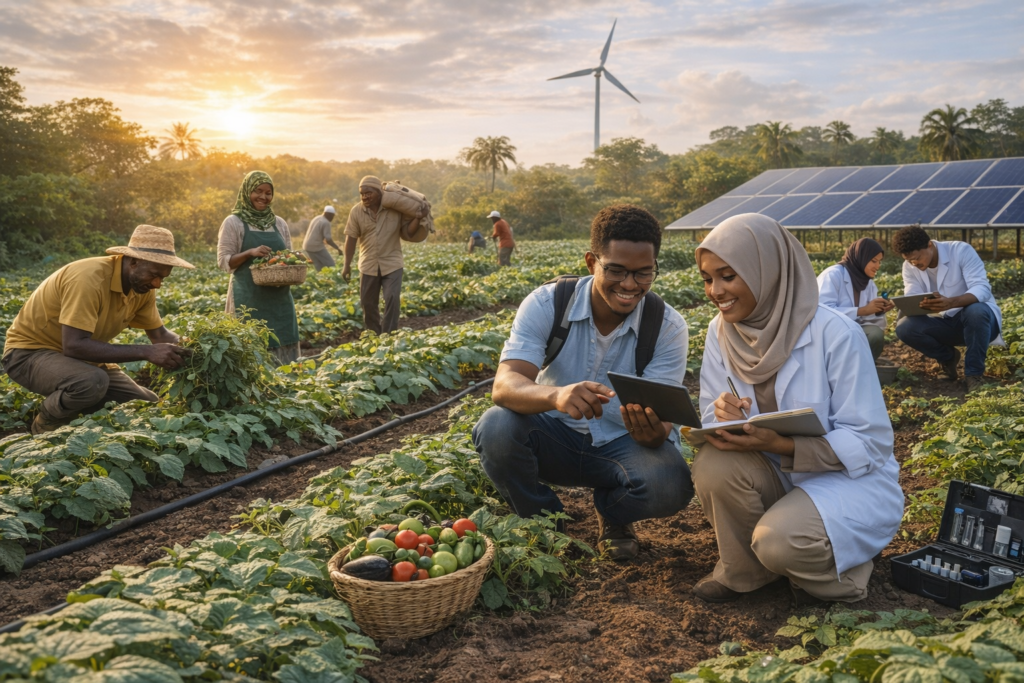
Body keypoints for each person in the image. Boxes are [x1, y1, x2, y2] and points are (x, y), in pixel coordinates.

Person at [691, 213, 902, 605]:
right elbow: (709, 412)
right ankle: (746, 573)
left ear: (767, 271)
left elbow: (870, 443)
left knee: (780, 542)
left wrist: (781, 444)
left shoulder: (836, 333)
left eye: (728, 276)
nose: (715, 291)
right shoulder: (721, 332)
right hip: (774, 472)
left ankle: (845, 573)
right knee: (713, 465)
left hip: (848, 480)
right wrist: (722, 415)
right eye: (707, 279)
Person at [472, 205, 693, 561]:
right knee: (496, 427)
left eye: (643, 273)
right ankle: (544, 522)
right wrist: (555, 395)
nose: (630, 284)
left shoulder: (667, 327)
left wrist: (651, 431)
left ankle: (613, 513)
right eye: (616, 270)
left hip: (622, 444)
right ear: (592, 262)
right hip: (552, 436)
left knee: (668, 484)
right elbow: (505, 385)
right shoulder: (548, 303)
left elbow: (659, 431)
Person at [2, 225, 194, 435]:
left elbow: (160, 335)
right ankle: (47, 421)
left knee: (146, 404)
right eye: (154, 275)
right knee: (92, 382)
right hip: (28, 354)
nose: (157, 284)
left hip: (81, 360)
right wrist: (146, 351)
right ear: (134, 262)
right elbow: (74, 346)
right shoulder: (88, 278)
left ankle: (77, 409)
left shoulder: (142, 287)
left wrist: (197, 347)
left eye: (163, 278)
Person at [892, 226, 1003, 393]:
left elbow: (982, 288)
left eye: (916, 258)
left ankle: (974, 374)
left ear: (929, 245)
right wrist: (912, 305)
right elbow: (913, 296)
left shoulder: (960, 251)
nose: (914, 263)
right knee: (905, 327)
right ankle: (948, 357)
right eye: (909, 261)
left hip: (981, 324)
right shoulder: (909, 267)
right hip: (946, 324)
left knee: (976, 311)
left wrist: (952, 302)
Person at [217, 170, 300, 366]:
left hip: (280, 299)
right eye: (258, 191)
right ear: (247, 192)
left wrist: (294, 260)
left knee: (284, 345)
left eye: (268, 193)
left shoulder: (279, 223)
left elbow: (287, 255)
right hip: (248, 298)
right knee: (250, 347)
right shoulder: (234, 222)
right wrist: (249, 253)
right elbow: (224, 261)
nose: (263, 197)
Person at [341, 176, 421, 335]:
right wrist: (346, 265)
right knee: (368, 304)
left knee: (392, 298)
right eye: (362, 194)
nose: (365, 197)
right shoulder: (356, 211)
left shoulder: (394, 209)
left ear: (379, 192)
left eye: (368, 193)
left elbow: (408, 233)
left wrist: (418, 217)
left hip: (392, 263)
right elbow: (350, 239)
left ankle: (389, 336)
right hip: (368, 264)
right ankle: (374, 336)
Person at [816, 238, 894, 360]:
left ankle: (863, 367)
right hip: (829, 332)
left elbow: (869, 320)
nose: (878, 266)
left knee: (875, 334)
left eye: (880, 262)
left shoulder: (867, 282)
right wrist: (862, 310)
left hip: (853, 329)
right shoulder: (833, 275)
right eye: (874, 261)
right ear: (861, 257)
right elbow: (822, 313)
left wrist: (879, 310)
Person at [303, 206, 341, 271]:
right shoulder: (326, 222)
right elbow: (328, 240)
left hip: (307, 246)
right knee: (331, 265)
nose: (332, 218)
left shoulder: (317, 218)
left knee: (319, 267)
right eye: (332, 216)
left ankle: (321, 277)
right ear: (327, 214)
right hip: (316, 246)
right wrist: (337, 248)